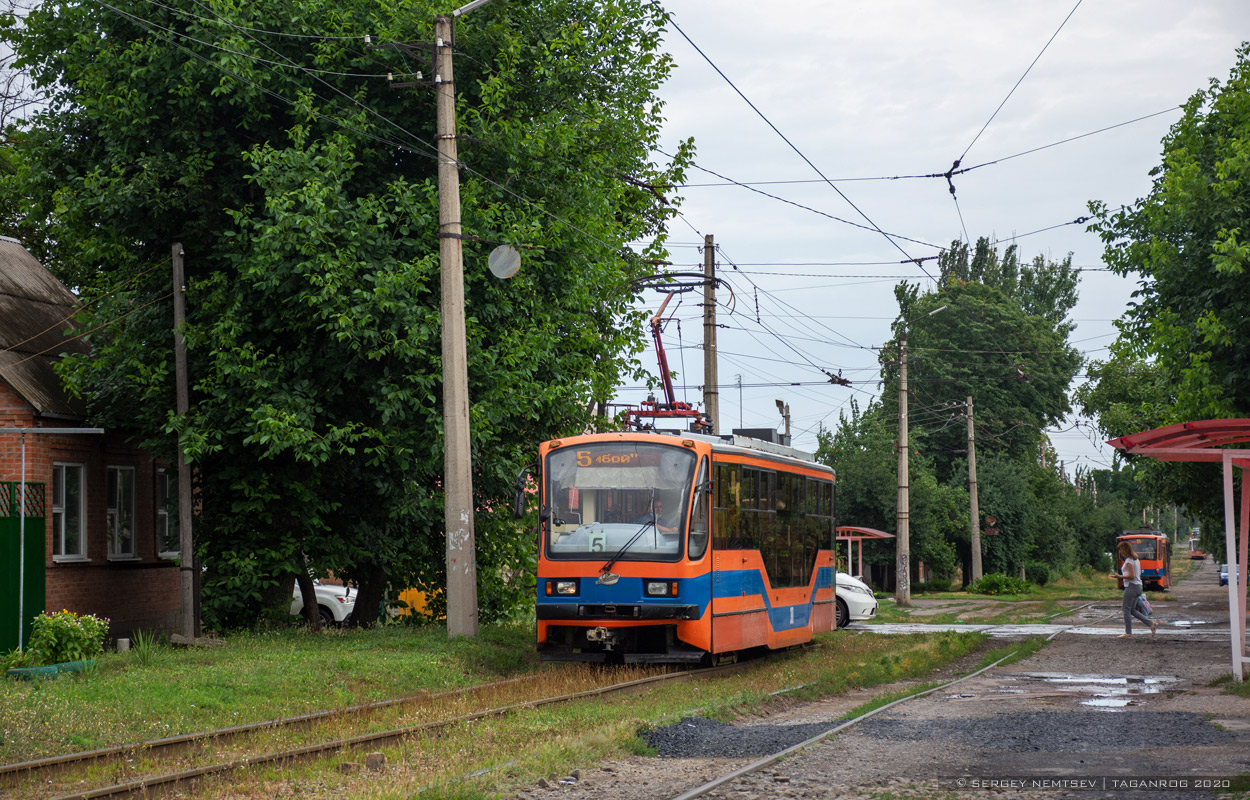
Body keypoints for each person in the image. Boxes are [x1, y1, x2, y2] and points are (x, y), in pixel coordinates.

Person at [1114, 540, 1157, 637]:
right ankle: (1151, 624)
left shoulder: (1129, 561)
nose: (1120, 552)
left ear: (1125, 550)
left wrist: (1120, 576)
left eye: (1121, 550)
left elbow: (1131, 576)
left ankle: (1128, 633)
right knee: (1132, 610)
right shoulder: (1135, 559)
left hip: (1131, 586)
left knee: (1126, 609)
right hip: (1138, 586)